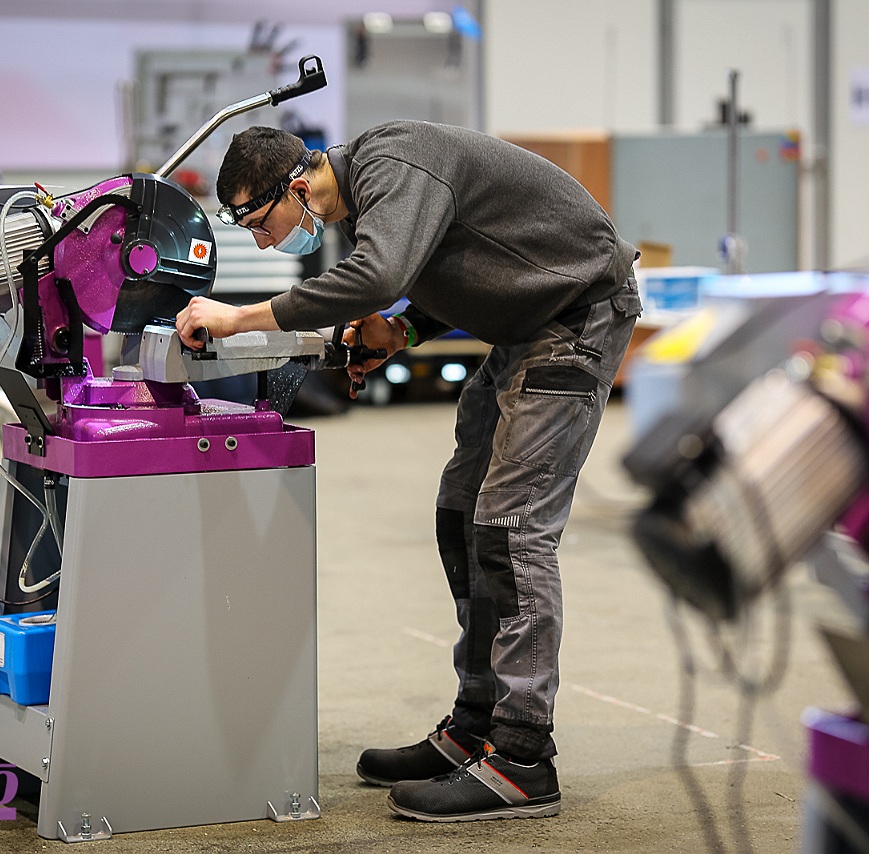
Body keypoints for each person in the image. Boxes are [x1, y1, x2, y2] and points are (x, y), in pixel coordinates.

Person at [175, 121, 641, 821]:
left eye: (257, 222)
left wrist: (242, 319)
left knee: (511, 532)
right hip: (527, 325)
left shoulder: (392, 163)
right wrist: (408, 329)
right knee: (462, 516)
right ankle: (475, 725)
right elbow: (470, 253)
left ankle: (521, 758)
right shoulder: (373, 195)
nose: (260, 241)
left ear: (297, 186)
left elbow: (380, 274)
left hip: (572, 319)